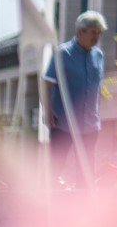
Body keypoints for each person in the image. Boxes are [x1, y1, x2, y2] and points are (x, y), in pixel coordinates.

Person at [43, 11, 106, 184]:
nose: (97, 37)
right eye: (94, 32)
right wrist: (47, 111)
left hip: (90, 125)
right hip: (63, 123)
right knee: (55, 168)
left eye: (100, 32)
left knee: (85, 173)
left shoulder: (99, 56)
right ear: (80, 32)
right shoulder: (63, 53)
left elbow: (97, 87)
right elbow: (47, 83)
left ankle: (83, 208)